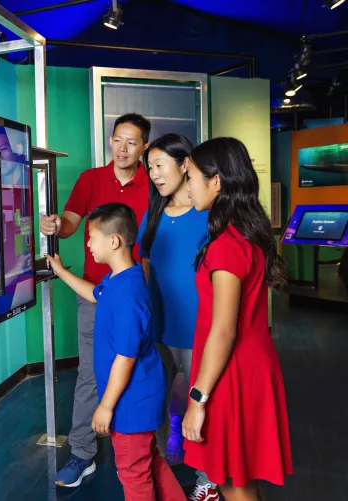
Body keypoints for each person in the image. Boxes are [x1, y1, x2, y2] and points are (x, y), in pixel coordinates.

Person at [46, 203, 185, 501]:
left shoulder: (129, 296)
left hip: (130, 405)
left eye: (91, 237)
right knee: (149, 463)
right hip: (139, 399)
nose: (87, 244)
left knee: (133, 474)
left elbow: (126, 357)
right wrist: (59, 271)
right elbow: (94, 294)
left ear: (113, 241)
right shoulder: (121, 279)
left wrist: (105, 406)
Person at [41, 113, 151, 487]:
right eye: (117, 139)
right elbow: (70, 223)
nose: (122, 148)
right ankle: (82, 452)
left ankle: (144, 449)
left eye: (131, 142)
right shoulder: (91, 179)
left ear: (144, 148)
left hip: (140, 293)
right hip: (96, 293)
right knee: (90, 372)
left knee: (146, 366)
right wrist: (58, 226)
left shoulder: (154, 183)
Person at [182, 137, 293, 501]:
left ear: (216, 182)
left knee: (233, 479)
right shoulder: (244, 234)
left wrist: (198, 400)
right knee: (238, 475)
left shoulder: (227, 245)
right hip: (246, 365)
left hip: (231, 373)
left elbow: (224, 330)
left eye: (192, 177)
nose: (188, 187)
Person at [136, 134, 219, 501]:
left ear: (185, 164)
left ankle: (207, 476)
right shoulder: (153, 213)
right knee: (153, 400)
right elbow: (144, 263)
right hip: (160, 326)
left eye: (159, 165)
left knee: (203, 403)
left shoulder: (210, 211)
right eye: (149, 167)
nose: (153, 174)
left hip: (201, 328)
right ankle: (156, 473)